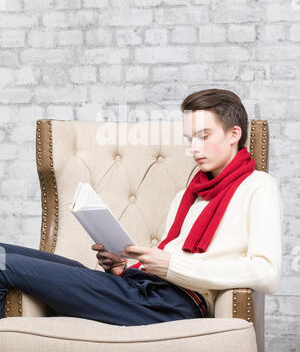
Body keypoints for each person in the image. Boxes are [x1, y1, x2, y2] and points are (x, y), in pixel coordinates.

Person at [0, 88, 283, 326]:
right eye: (189, 139)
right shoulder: (188, 195)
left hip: (173, 304)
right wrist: (123, 268)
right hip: (143, 288)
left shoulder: (259, 187)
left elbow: (266, 273)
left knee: (4, 266)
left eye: (204, 136)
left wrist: (171, 265)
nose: (194, 148)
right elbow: (166, 260)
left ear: (234, 134)